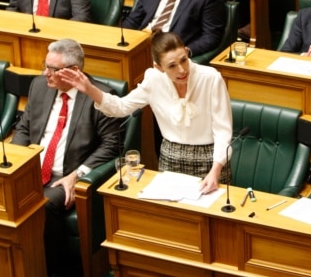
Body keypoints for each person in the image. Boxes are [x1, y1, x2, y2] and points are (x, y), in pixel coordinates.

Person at [60, 32, 233, 194]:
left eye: (184, 60)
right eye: (172, 66)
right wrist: (90, 90)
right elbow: (121, 107)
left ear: (187, 53)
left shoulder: (211, 78)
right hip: (170, 157)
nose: (181, 70)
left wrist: (215, 171)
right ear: (158, 67)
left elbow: (222, 130)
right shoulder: (154, 79)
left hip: (211, 159)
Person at [11, 38, 121, 275]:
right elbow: (24, 127)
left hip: (65, 176)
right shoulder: (40, 86)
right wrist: (16, 160)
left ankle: (45, 272)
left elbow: (111, 146)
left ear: (73, 71)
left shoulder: (100, 96)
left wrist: (77, 174)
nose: (45, 73)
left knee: (41, 205)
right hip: (32, 168)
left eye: (52, 69)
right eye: (45, 65)